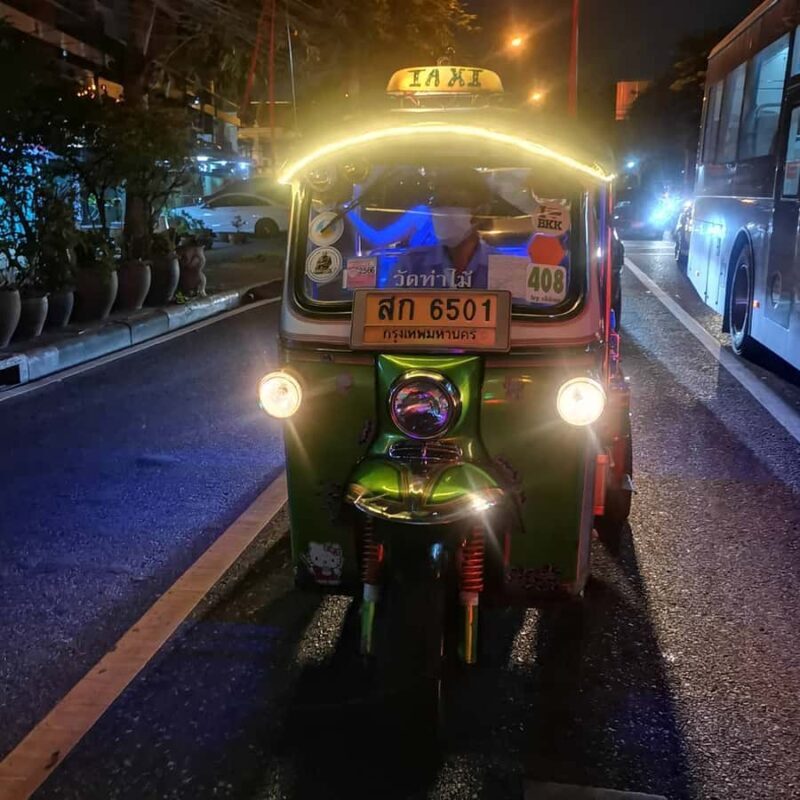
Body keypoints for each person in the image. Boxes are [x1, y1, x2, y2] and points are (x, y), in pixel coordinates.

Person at [388, 169, 494, 290]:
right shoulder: (410, 265)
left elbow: (516, 307)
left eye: (454, 203)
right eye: (438, 204)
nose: (443, 212)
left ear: (481, 212)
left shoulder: (505, 268)